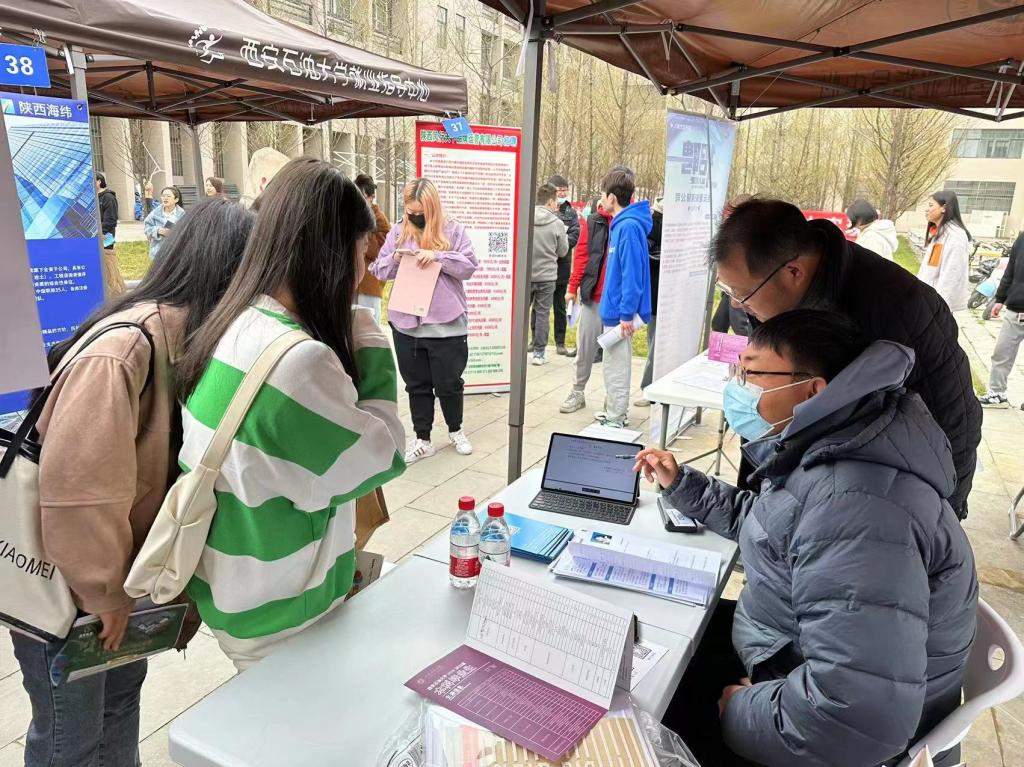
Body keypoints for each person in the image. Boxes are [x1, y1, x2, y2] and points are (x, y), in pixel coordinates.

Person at [637, 310, 978, 767]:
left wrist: (738, 711)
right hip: (792, 654)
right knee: (663, 640)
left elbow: (853, 716)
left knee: (643, 702)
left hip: (818, 725)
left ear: (813, 390)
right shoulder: (840, 445)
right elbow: (773, 525)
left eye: (751, 374)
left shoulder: (855, 507)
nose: (738, 388)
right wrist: (682, 485)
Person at [12, 198, 254, 767]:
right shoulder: (123, 351)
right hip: (67, 588)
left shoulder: (180, 341)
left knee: (119, 707)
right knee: (70, 736)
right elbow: (79, 493)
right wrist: (104, 593)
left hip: (118, 580)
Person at [176, 159, 406, 670]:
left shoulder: (236, 321)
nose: (363, 271)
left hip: (235, 594)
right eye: (360, 253)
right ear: (330, 255)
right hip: (283, 616)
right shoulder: (300, 364)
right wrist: (368, 339)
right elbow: (385, 453)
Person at [712, 198, 981, 517]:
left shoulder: (896, 309)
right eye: (730, 292)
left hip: (881, 494)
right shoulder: (774, 290)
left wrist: (943, 511)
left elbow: (951, 417)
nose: (737, 304)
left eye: (742, 294)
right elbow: (774, 409)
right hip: (815, 484)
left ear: (793, 272)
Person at [370, 178, 478, 463]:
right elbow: (378, 270)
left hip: (447, 323)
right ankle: (422, 439)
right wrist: (395, 258)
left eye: (421, 212)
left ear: (433, 208)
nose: (416, 217)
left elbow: (469, 267)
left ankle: (456, 430)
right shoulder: (397, 232)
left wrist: (438, 256)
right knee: (416, 385)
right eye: (411, 211)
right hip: (407, 323)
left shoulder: (453, 230)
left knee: (449, 384)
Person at [597, 167, 652, 428]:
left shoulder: (628, 227)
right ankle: (613, 411)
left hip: (621, 314)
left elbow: (632, 273)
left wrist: (626, 313)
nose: (601, 200)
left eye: (602, 195)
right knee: (612, 365)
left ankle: (616, 418)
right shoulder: (622, 225)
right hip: (615, 310)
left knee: (617, 367)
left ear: (612, 197)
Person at [560, 196, 612, 413]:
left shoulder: (629, 222)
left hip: (617, 302)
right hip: (593, 296)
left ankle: (613, 398)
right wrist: (573, 287)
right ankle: (577, 391)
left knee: (614, 354)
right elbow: (581, 256)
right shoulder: (593, 222)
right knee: (585, 348)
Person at [979, 231, 1024, 407]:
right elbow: (1009, 271)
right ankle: (997, 392)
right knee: (1002, 353)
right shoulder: (1022, 239)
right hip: (1015, 310)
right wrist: (1000, 299)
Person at [529, 183, 569, 366]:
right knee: (543, 313)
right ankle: (539, 353)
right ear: (551, 201)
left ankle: (516, 349)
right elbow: (563, 251)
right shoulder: (557, 223)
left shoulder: (525, 218)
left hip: (526, 275)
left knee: (521, 314)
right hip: (547, 276)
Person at [919, 190, 971, 311]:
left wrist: (938, 305)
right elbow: (930, 270)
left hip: (937, 304)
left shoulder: (955, 235)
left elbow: (951, 274)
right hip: (928, 299)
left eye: (931, 205)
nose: (927, 209)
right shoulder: (939, 232)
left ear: (944, 208)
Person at [547, 174, 581, 356]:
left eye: (564, 190)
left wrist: (560, 245)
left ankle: (560, 342)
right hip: (543, 264)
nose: (562, 193)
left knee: (560, 305)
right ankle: (535, 340)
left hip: (562, 264)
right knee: (539, 306)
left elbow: (575, 233)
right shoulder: (542, 209)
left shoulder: (570, 212)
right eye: (559, 190)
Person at [353, 172, 391, 323]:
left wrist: (360, 236)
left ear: (371, 197)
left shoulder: (380, 219)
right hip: (351, 283)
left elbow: (380, 251)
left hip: (369, 285)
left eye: (362, 196)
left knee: (369, 326)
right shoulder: (351, 215)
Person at [636, 196, 663, 404]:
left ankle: (651, 388)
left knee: (655, 342)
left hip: (660, 292)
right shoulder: (654, 222)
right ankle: (650, 388)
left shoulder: (655, 222)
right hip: (657, 292)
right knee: (655, 342)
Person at [95, 172, 126, 295]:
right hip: (94, 237)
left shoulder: (108, 197)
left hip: (105, 238)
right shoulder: (93, 197)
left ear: (99, 181)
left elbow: (111, 220)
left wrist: (99, 233)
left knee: (109, 267)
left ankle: (116, 293)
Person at [144, 185, 185, 259]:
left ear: (176, 199)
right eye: (163, 196)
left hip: (176, 252)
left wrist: (174, 232)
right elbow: (147, 228)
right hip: (157, 252)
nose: (165, 198)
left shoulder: (182, 214)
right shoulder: (155, 213)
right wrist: (158, 231)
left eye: (168, 196)